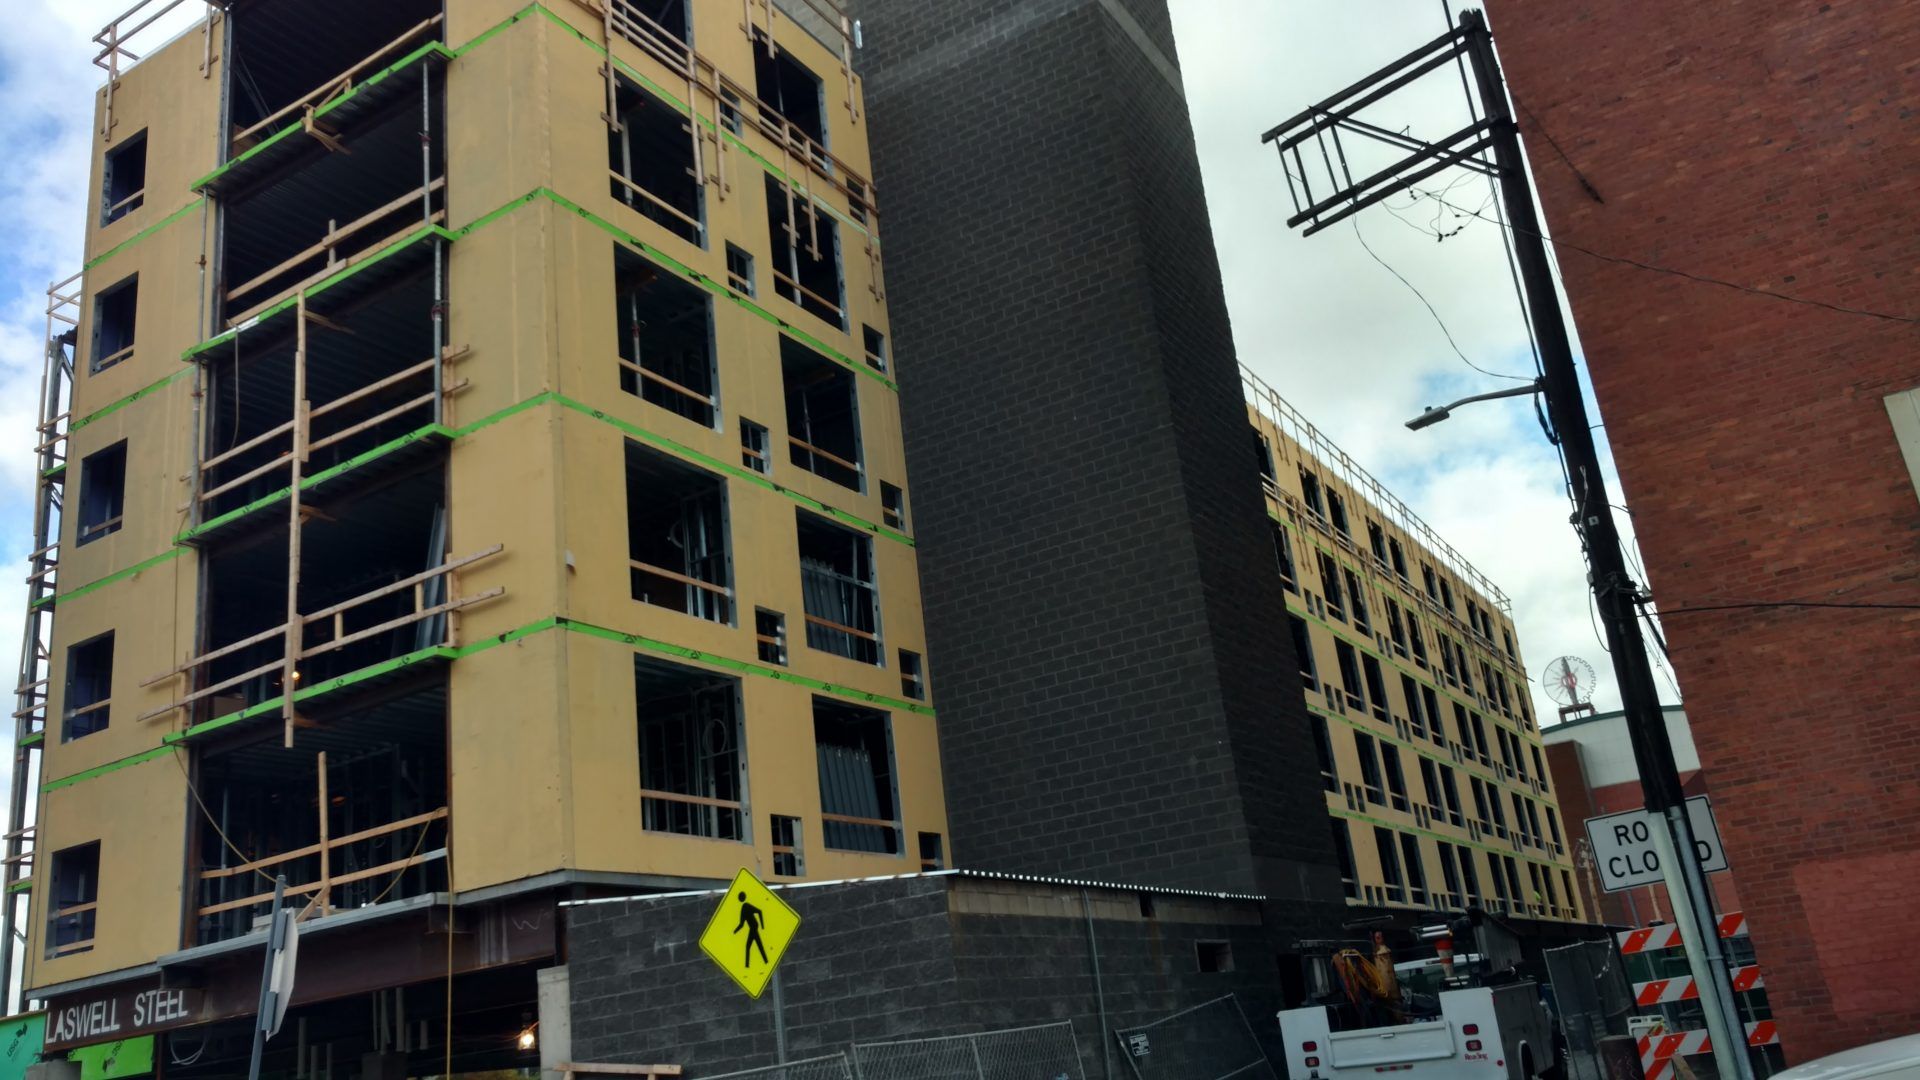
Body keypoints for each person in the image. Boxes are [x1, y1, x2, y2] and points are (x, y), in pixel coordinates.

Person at [734, 891, 768, 968]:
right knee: (758, 945)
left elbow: (759, 911)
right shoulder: (744, 908)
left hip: (754, 927)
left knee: (749, 946)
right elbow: (741, 924)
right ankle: (765, 961)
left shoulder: (746, 906)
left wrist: (763, 925)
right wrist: (734, 932)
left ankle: (747, 965)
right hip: (753, 927)